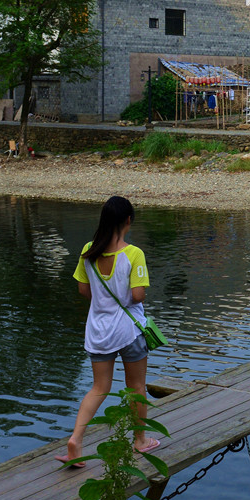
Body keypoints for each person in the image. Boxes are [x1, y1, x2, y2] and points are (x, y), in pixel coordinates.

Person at [57, 196, 158, 466]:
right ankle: (140, 441)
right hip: (128, 331)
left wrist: (103, 302)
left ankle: (76, 440)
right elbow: (137, 296)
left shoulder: (89, 250)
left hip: (98, 330)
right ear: (128, 220)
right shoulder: (133, 253)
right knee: (136, 386)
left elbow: (82, 289)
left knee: (99, 387)